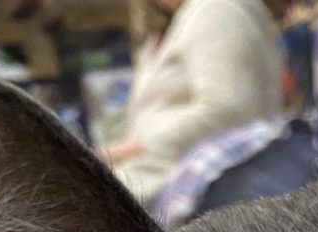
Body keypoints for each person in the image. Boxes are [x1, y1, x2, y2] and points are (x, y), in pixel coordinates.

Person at [99, 0, 284, 202]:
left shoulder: (216, 9)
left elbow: (227, 109)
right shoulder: (173, 23)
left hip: (197, 188)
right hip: (163, 182)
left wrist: (128, 149)